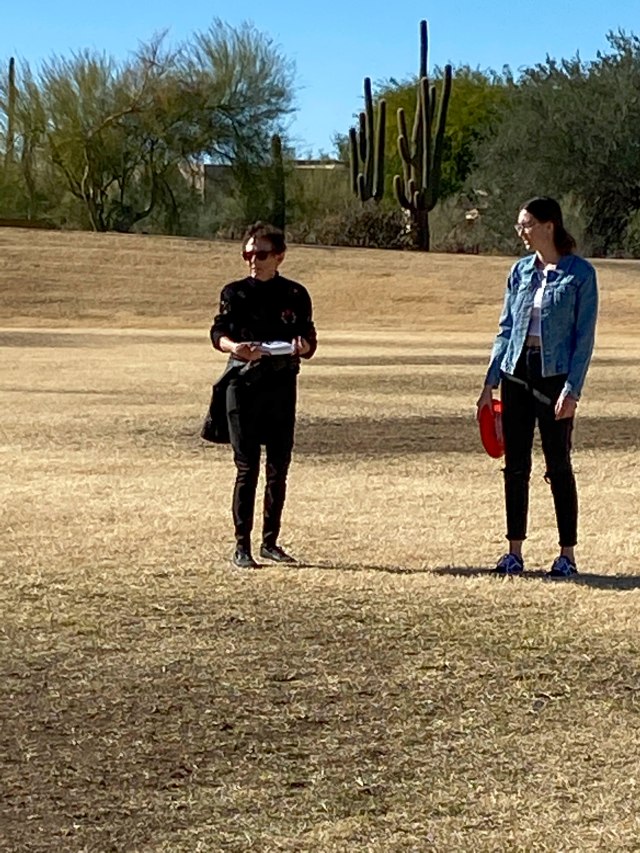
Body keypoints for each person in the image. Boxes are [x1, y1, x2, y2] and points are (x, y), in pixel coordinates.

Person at [477, 197, 598, 578]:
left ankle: (566, 556)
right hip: (516, 372)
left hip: (555, 375)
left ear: (549, 225)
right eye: (520, 225)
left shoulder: (580, 274)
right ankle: (513, 552)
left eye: (526, 224)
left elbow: (584, 339)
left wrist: (572, 390)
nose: (521, 232)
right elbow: (505, 329)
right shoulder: (519, 272)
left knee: (558, 465)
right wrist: (490, 382)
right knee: (515, 466)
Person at [209, 222, 317, 568]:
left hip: (281, 386)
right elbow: (218, 332)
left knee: (278, 467)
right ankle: (242, 546)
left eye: (262, 254)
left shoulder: (295, 294)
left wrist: (303, 346)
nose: (254, 260)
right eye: (249, 254)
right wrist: (235, 348)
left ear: (279, 256)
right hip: (243, 386)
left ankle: (270, 542)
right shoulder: (235, 293)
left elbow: (309, 338)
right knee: (247, 467)